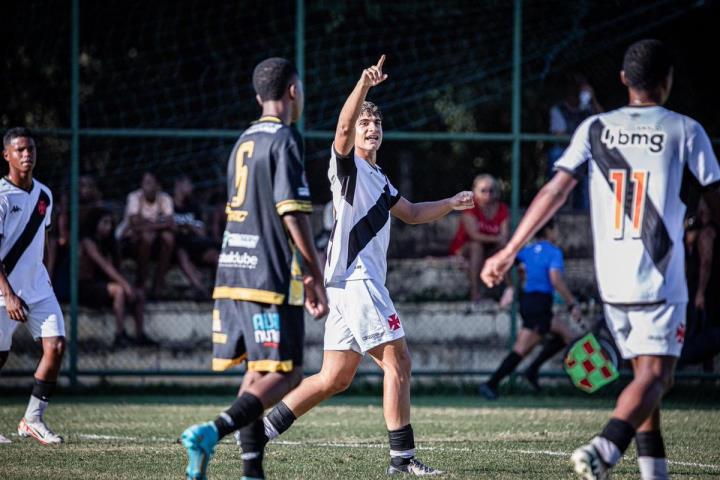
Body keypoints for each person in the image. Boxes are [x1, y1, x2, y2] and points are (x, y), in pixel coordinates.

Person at [481, 39, 720, 480]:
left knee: (642, 381)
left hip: (612, 281)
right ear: (668, 79)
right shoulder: (685, 130)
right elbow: (714, 196)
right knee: (657, 378)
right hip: (661, 275)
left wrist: (508, 249)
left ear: (624, 80)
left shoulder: (595, 129)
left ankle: (655, 474)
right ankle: (604, 448)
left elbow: (554, 191)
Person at [260, 55, 474, 476]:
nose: (371, 128)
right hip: (356, 281)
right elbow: (341, 129)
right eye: (365, 124)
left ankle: (263, 428)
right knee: (399, 363)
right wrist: (363, 86)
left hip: (344, 284)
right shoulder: (349, 168)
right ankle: (403, 459)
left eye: (376, 124)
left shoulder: (378, 176)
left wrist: (450, 203)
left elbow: (410, 212)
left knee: (334, 378)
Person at [180, 57, 328, 480]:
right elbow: (293, 213)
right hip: (268, 276)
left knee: (258, 372)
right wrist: (312, 274)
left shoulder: (242, 140)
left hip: (233, 271)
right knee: (288, 374)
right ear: (293, 92)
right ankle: (212, 430)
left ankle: (252, 472)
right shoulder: (285, 139)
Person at [0, 127, 66, 445]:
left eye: (31, 149)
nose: (27, 154)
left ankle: (33, 419)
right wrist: (8, 294)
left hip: (38, 288)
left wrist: (47, 277)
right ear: (7, 156)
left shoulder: (44, 195)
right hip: (3, 290)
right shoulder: (1, 197)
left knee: (56, 347)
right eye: (20, 150)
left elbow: (45, 239)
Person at [478, 218, 581, 400]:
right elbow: (555, 280)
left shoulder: (527, 251)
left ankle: (532, 370)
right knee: (522, 349)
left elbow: (508, 264)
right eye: (555, 230)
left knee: (564, 335)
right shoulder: (553, 252)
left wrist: (511, 285)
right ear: (549, 231)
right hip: (540, 303)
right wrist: (572, 302)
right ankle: (491, 383)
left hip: (530, 302)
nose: (556, 234)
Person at [79, 207, 154, 347]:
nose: (109, 227)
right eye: (105, 223)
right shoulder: (88, 242)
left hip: (104, 284)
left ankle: (140, 335)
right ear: (96, 223)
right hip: (86, 285)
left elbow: (116, 267)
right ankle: (120, 334)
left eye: (111, 223)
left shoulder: (110, 243)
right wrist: (126, 286)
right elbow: (104, 266)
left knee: (139, 294)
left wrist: (129, 288)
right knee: (119, 290)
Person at [449, 174, 509, 301]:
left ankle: (510, 290)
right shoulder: (469, 207)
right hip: (466, 248)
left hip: (489, 248)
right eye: (483, 191)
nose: (488, 194)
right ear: (475, 191)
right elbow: (474, 235)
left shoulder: (501, 208)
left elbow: (505, 235)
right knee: (477, 246)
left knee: (506, 249)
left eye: (491, 191)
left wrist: (500, 241)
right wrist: (497, 239)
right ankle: (475, 293)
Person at [548, 73, 603, 210]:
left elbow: (604, 122)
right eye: (576, 89)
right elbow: (559, 135)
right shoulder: (559, 110)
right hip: (567, 152)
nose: (577, 93)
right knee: (555, 154)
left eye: (581, 90)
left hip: (587, 153)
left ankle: (583, 210)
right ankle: (555, 203)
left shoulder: (588, 108)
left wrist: (593, 99)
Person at [117, 171, 175, 297]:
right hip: (130, 239)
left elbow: (170, 223)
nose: (145, 186)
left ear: (158, 186)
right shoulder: (134, 197)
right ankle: (141, 282)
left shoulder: (164, 199)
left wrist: (147, 224)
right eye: (143, 183)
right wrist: (157, 223)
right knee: (147, 237)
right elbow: (134, 223)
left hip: (155, 240)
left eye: (149, 183)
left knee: (168, 238)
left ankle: (158, 282)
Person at [680, 195, 720, 370]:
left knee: (707, 331)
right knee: (702, 330)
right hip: (696, 287)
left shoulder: (707, 233)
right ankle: (706, 374)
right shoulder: (698, 232)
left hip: (705, 289)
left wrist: (700, 293)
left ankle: (707, 375)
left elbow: (706, 263)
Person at [172, 174, 219, 299]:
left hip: (195, 245)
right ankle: (201, 289)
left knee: (216, 256)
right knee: (181, 253)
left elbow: (201, 232)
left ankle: (217, 290)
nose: (191, 188)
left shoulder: (194, 207)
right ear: (178, 185)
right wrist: (189, 227)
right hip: (176, 247)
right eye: (188, 185)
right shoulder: (168, 205)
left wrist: (187, 227)